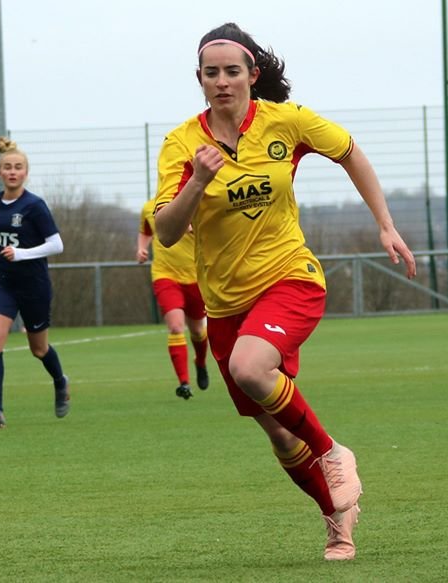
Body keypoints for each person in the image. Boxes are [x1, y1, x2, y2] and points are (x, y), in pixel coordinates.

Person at [153, 22, 417, 561]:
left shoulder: (286, 121)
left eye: (232, 71)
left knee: (251, 369)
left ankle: (332, 451)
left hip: (290, 278)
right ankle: (338, 520)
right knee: (276, 434)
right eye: (211, 73)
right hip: (226, 303)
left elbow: (350, 153)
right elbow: (166, 231)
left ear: (253, 74)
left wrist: (385, 224)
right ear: (199, 80)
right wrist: (198, 182)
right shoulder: (182, 143)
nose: (222, 81)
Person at [0, 137, 71, 429]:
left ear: (25, 172)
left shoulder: (35, 206)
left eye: (18, 167)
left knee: (39, 349)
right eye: (7, 167)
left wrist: (22, 254)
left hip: (34, 286)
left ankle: (60, 381)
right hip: (3, 283)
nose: (12, 172)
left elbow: (56, 244)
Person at [137, 198, 210, 399]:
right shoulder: (149, 208)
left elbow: (213, 231)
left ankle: (201, 363)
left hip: (195, 276)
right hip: (165, 275)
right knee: (176, 326)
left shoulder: (194, 203)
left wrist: (193, 228)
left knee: (197, 330)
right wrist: (141, 248)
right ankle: (184, 383)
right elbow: (146, 231)